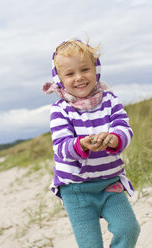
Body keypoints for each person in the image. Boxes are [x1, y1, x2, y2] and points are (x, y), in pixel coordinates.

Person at [43, 39, 140, 248]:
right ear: (59, 78)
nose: (79, 77)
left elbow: (124, 128)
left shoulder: (110, 100)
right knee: (90, 244)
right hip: (75, 189)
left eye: (85, 69)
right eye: (70, 74)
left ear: (95, 69)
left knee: (129, 228)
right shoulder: (60, 109)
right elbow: (61, 146)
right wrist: (82, 144)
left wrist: (114, 138)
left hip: (109, 182)